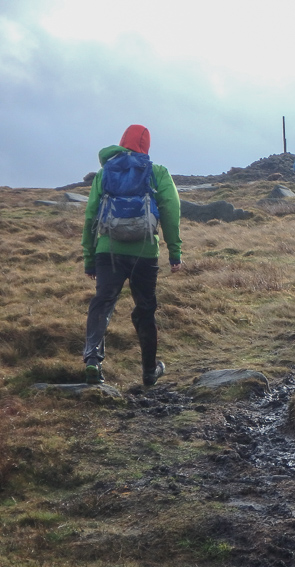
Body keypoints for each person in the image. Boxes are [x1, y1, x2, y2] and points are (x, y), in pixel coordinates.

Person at [81, 124, 182, 386]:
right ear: (146, 145)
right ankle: (149, 371)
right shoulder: (157, 172)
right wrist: (175, 253)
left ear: (122, 142)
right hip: (145, 252)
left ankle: (93, 360)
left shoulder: (104, 173)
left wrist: (90, 258)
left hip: (108, 251)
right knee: (145, 308)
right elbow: (171, 212)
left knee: (103, 301)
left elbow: (91, 215)